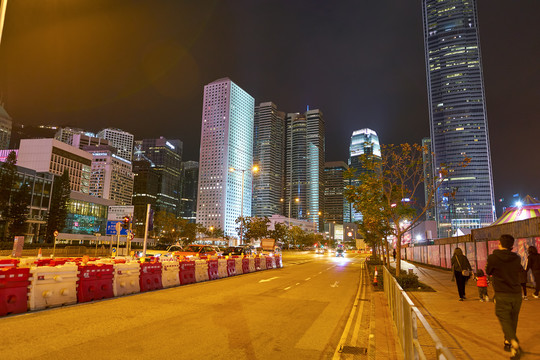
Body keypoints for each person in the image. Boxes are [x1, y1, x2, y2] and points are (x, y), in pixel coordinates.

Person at [486, 234, 524, 359]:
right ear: (511, 245)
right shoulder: (517, 258)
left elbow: (488, 271)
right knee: (513, 319)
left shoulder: (493, 258)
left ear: (499, 243)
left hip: (502, 294)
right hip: (517, 294)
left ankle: (514, 342)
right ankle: (508, 343)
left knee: (504, 319)